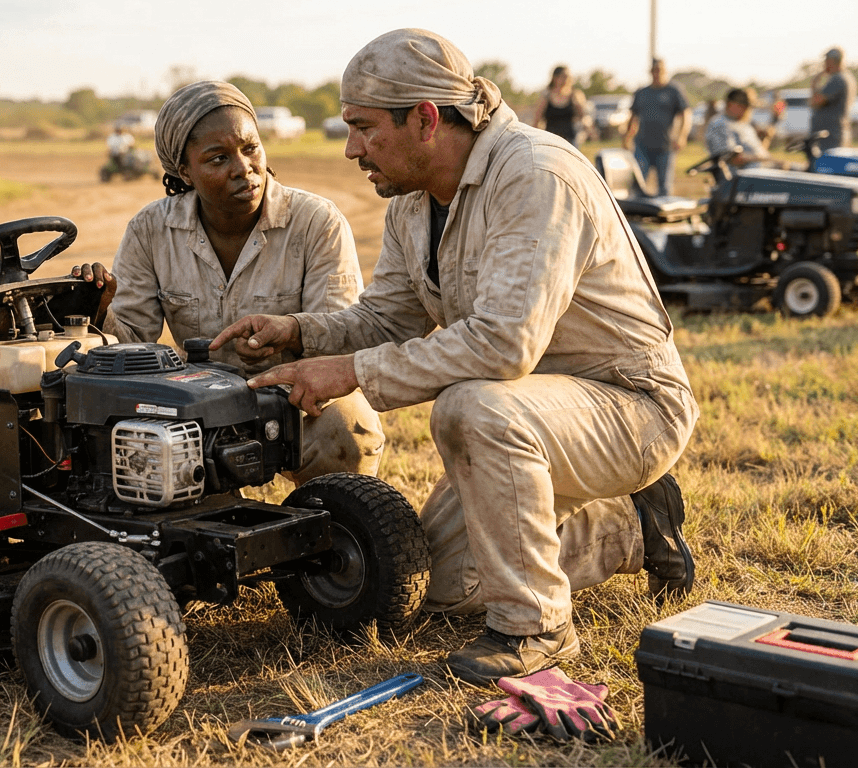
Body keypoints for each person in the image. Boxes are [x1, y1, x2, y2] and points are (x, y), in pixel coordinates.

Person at [210, 29, 699, 684]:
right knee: (434, 585)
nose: (352, 148)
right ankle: (635, 525)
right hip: (536, 412)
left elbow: (504, 343)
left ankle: (536, 629)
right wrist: (297, 334)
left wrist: (348, 373)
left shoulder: (535, 175)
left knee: (471, 407)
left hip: (627, 408)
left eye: (362, 127)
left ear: (426, 119)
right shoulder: (414, 202)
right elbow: (387, 317)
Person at [73, 80, 385, 485]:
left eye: (250, 148)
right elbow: (133, 342)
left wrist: (289, 338)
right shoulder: (151, 229)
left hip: (297, 398)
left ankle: (329, 518)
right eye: (218, 159)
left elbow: (344, 334)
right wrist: (98, 311)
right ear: (184, 171)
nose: (243, 168)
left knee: (346, 429)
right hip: (195, 405)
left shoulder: (316, 222)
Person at [623, 58, 692, 197]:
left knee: (664, 186)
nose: (657, 73)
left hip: (665, 145)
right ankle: (638, 213)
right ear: (650, 72)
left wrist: (682, 136)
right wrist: (627, 137)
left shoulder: (673, 91)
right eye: (654, 70)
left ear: (665, 71)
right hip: (642, 145)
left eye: (660, 70)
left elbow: (686, 114)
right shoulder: (642, 92)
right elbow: (633, 117)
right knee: (638, 182)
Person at [703, 88, 784, 171]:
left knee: (794, 169)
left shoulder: (745, 125)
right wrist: (765, 159)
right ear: (731, 104)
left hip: (760, 171)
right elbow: (730, 158)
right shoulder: (720, 124)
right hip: (742, 177)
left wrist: (766, 137)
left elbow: (758, 152)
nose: (748, 111)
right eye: (745, 106)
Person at [810, 47, 857, 152]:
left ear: (831, 61)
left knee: (825, 166)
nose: (824, 63)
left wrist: (814, 84)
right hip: (835, 132)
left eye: (826, 60)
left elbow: (816, 101)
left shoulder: (838, 79)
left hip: (829, 136)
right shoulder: (846, 77)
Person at [532, 65, 587, 146]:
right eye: (564, 76)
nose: (566, 79)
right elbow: (537, 119)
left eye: (568, 77)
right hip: (550, 140)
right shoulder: (546, 96)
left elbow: (583, 116)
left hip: (570, 140)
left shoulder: (575, 95)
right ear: (555, 78)